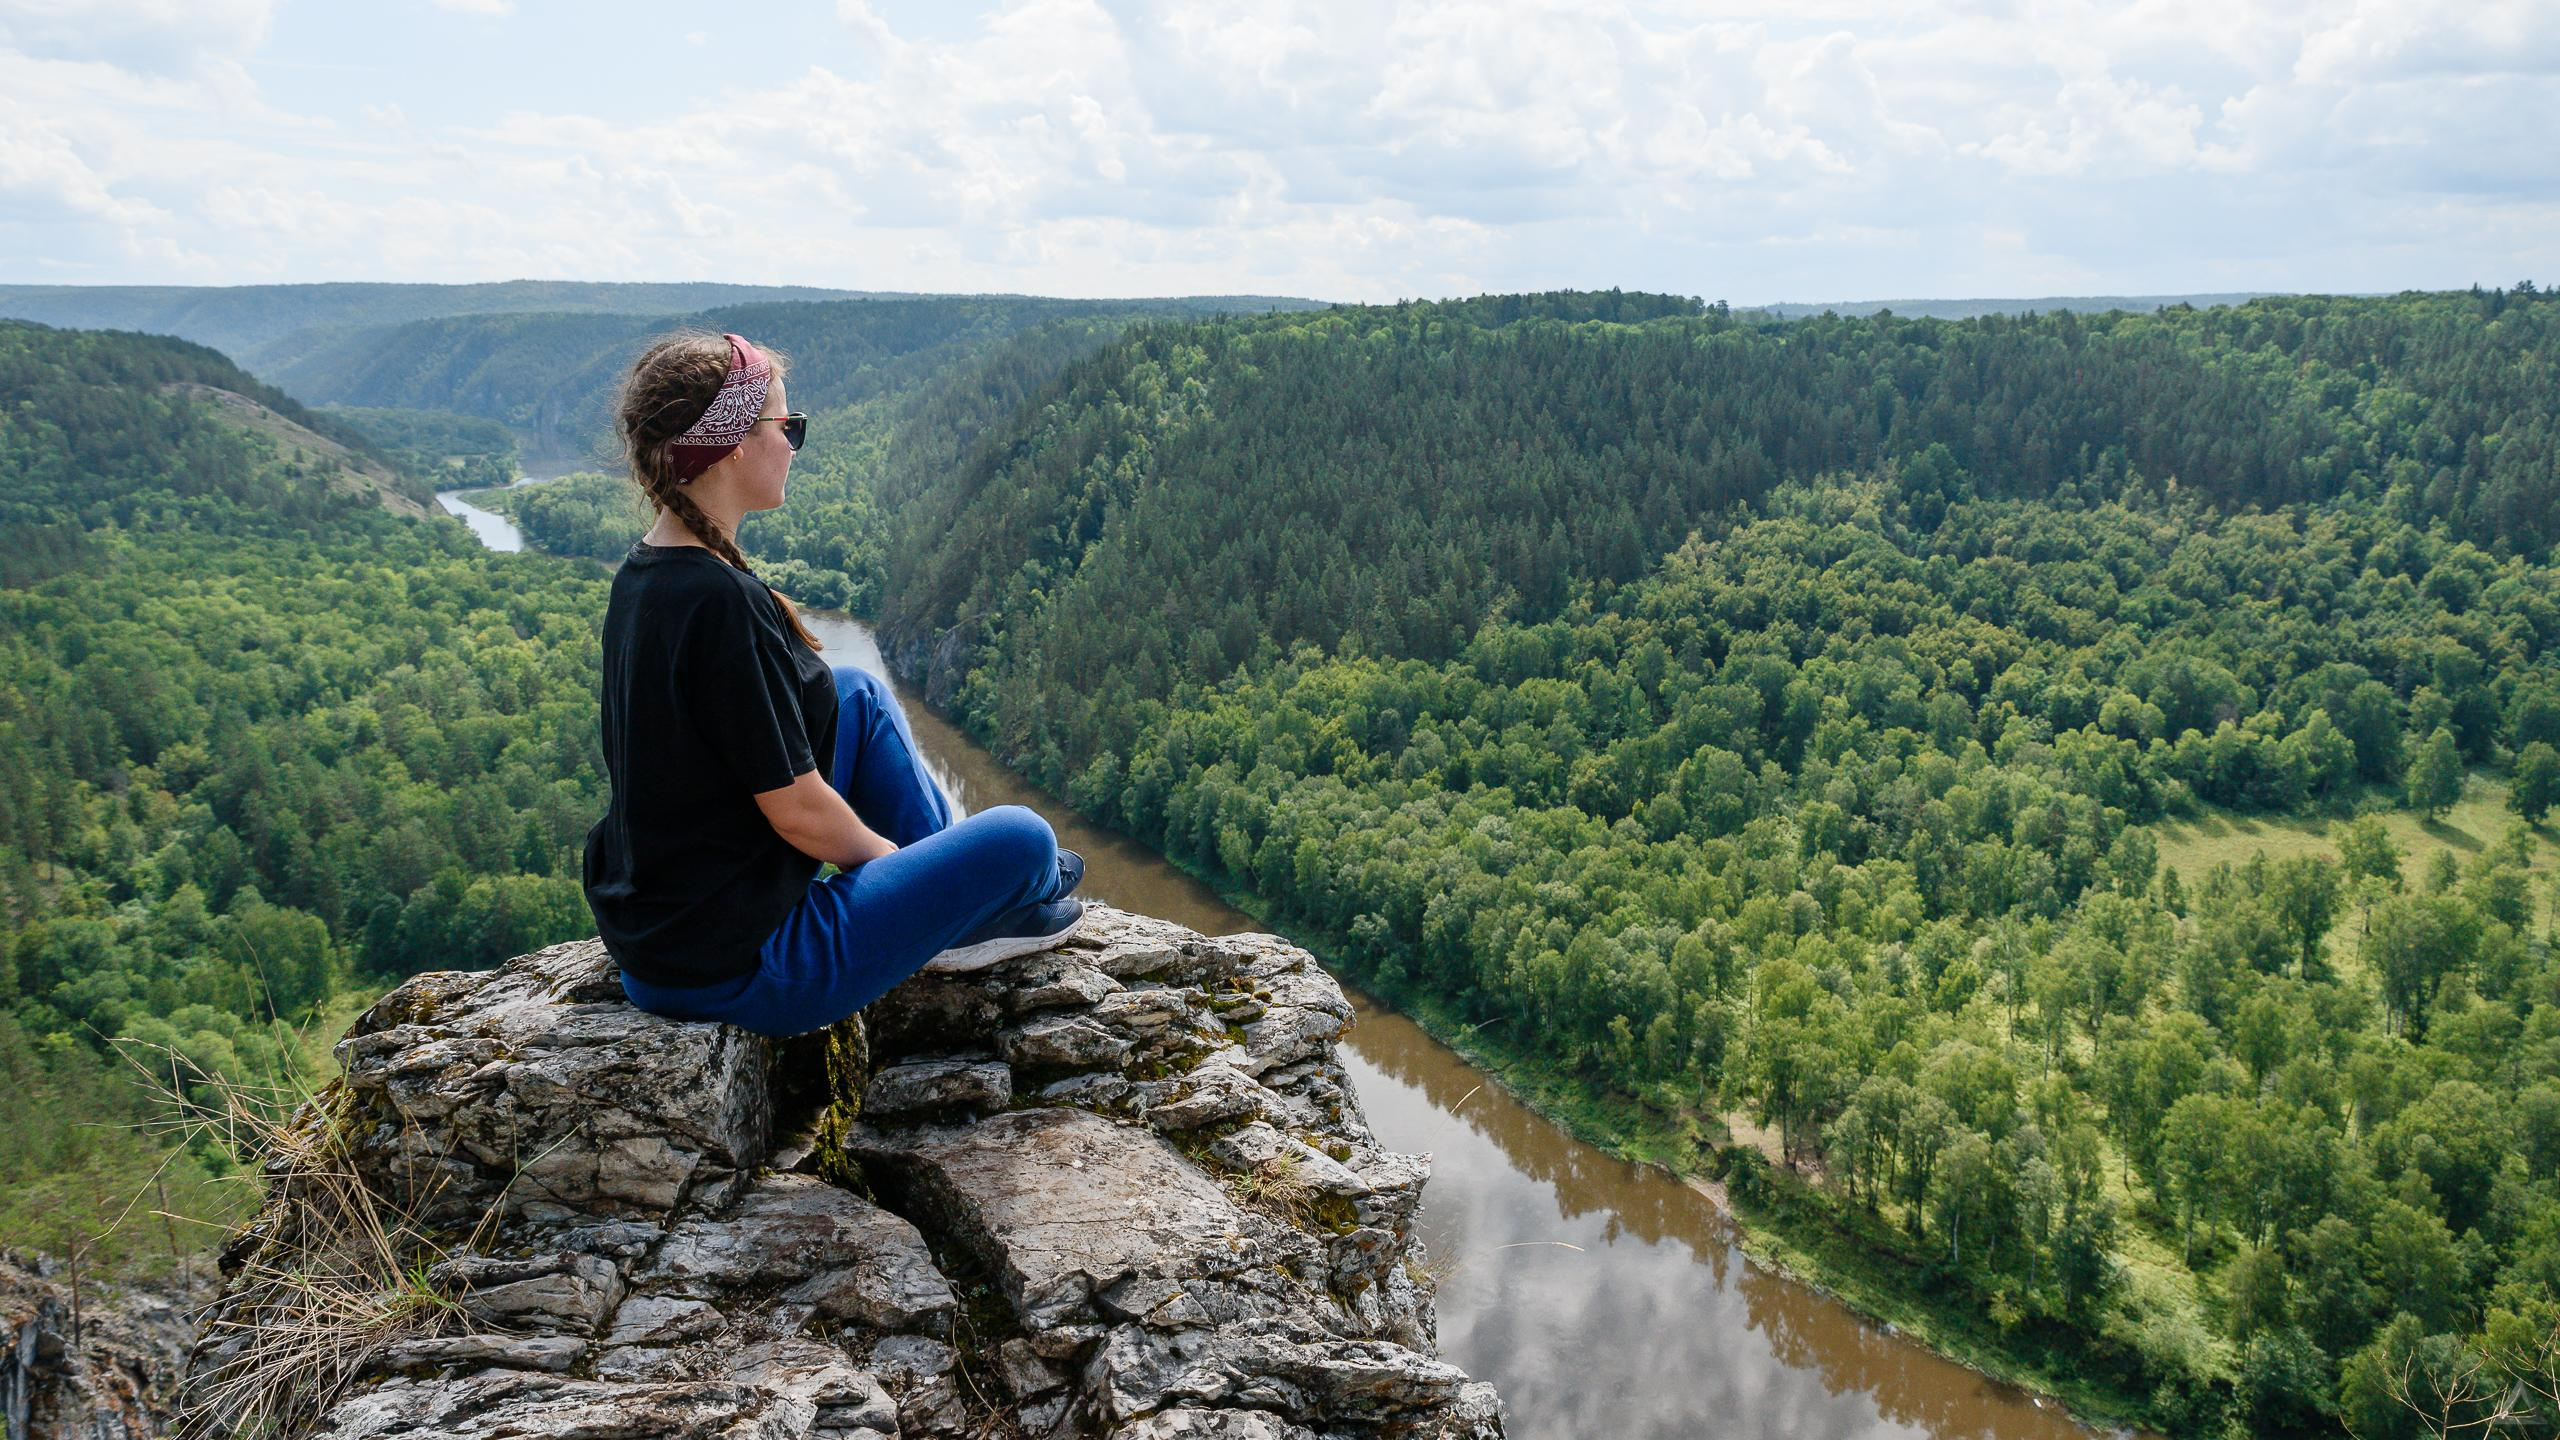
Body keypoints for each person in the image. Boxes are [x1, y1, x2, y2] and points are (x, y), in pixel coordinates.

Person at [580, 329, 1085, 1038]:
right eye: (786, 426)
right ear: (731, 443)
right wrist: (915, 886)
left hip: (675, 937)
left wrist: (923, 882)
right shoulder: (721, 605)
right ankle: (971, 916)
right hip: (741, 970)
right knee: (1023, 839)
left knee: (856, 693)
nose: (793, 442)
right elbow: (798, 815)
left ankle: (968, 914)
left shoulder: (651, 574)